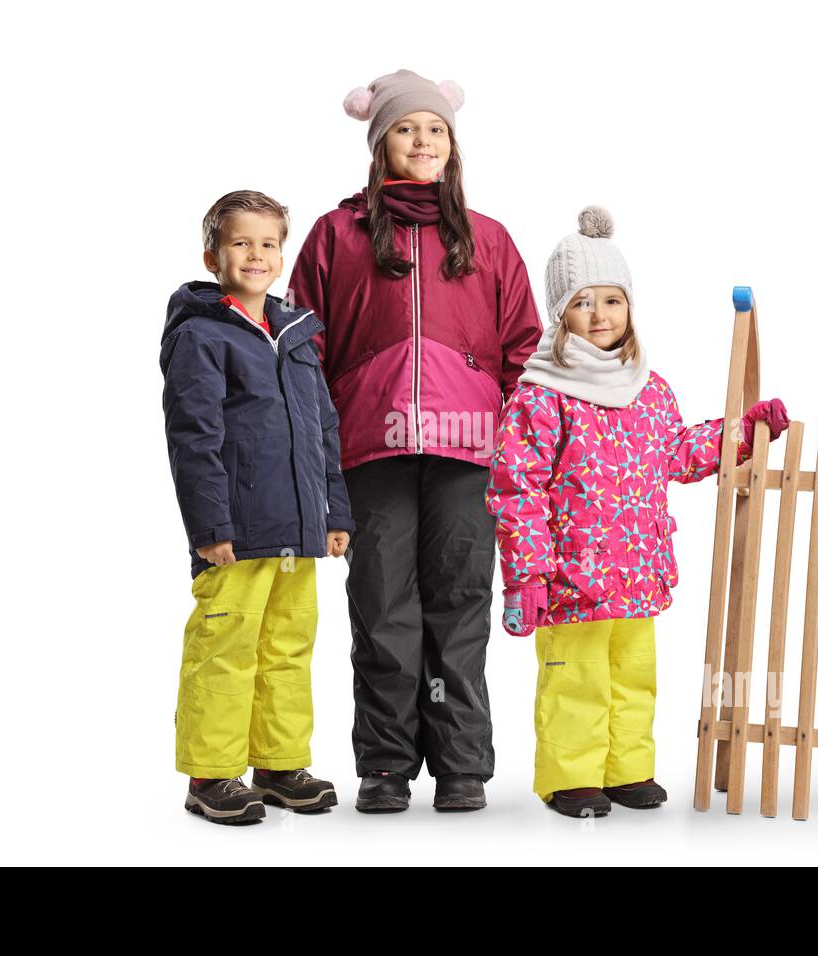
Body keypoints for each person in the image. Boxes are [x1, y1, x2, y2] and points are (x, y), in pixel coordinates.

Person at [287, 69, 543, 812]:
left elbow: (524, 346)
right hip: (372, 447)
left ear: (452, 145)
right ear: (380, 146)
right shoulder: (338, 235)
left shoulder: (488, 238)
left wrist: (520, 440)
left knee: (460, 598)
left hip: (470, 452)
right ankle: (387, 763)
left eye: (434, 129)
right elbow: (305, 344)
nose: (422, 140)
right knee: (381, 600)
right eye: (405, 129)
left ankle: (462, 762)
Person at [485, 206, 789, 818]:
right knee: (577, 678)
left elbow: (678, 452)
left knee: (633, 676)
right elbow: (517, 490)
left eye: (612, 301)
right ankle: (570, 777)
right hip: (572, 578)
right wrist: (526, 575)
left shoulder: (648, 390)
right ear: (560, 316)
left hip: (639, 569)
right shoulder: (542, 396)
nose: (599, 316)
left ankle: (626, 770)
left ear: (629, 307)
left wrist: (741, 434)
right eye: (582, 303)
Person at [160, 190, 354, 825]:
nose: (256, 255)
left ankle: (278, 764)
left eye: (269, 243)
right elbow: (194, 438)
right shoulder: (202, 336)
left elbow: (324, 429)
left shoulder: (297, 334)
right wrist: (210, 527)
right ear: (213, 253)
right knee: (227, 647)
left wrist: (335, 513)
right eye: (241, 243)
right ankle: (212, 774)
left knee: (287, 648)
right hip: (236, 534)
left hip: (298, 529)